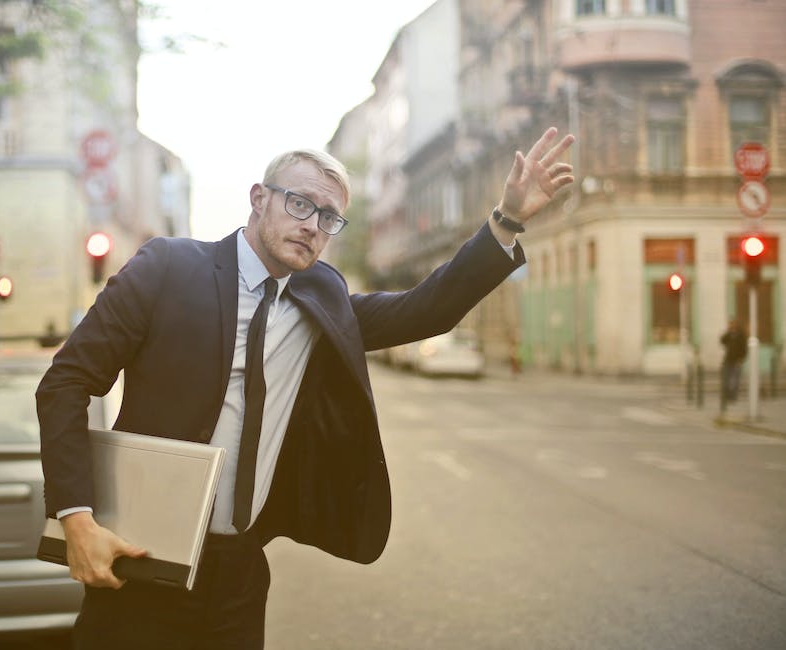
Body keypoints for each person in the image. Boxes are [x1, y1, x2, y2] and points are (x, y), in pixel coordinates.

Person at [36, 127, 575, 649]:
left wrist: (505, 223)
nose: (313, 225)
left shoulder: (322, 298)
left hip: (239, 573)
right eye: (300, 204)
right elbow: (66, 383)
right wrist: (76, 518)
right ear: (259, 200)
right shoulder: (170, 268)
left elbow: (425, 309)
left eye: (329, 217)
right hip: (139, 556)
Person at [720, 318, 747, 402]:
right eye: (730, 324)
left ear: (736, 325)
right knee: (726, 379)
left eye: (733, 324)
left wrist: (741, 359)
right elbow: (722, 341)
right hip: (728, 360)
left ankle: (733, 397)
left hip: (737, 361)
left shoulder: (741, 335)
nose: (731, 326)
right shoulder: (728, 335)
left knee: (735, 380)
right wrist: (728, 332)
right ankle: (726, 396)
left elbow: (744, 349)